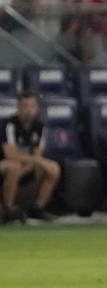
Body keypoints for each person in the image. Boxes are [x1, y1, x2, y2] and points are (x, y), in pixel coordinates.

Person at [1, 90, 60, 222]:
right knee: (14, 167)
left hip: (26, 165)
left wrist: (32, 164)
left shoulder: (39, 126)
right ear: (18, 107)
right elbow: (10, 154)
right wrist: (34, 161)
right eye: (25, 106)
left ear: (37, 108)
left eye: (32, 106)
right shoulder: (8, 124)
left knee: (53, 168)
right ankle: (8, 210)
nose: (28, 110)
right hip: (5, 164)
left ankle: (37, 209)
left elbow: (38, 153)